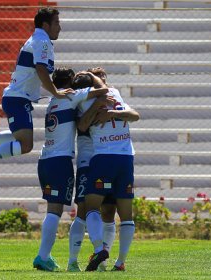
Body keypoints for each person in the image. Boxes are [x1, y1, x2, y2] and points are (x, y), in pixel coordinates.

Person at [0, 7, 73, 183]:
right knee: (26, 145)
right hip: (17, 99)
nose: (60, 27)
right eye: (57, 22)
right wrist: (55, 93)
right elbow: (41, 70)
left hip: (18, 98)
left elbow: (37, 73)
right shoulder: (41, 41)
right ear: (46, 24)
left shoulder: (38, 39)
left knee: (21, 138)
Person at [33, 67, 108, 272]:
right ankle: (42, 256)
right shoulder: (71, 97)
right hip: (60, 161)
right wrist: (92, 77)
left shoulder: (52, 102)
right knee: (55, 211)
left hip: (45, 159)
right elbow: (103, 91)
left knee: (53, 208)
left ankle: (45, 256)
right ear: (69, 83)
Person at [73, 70, 140, 271]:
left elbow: (83, 125)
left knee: (92, 206)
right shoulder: (115, 94)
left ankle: (99, 248)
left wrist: (106, 112)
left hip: (103, 157)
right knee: (126, 214)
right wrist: (114, 112)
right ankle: (120, 263)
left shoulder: (84, 102)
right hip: (126, 158)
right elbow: (135, 115)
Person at [67, 78, 117, 273]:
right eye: (98, 81)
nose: (102, 85)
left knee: (108, 212)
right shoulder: (81, 103)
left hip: (108, 160)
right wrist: (98, 105)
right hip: (88, 163)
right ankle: (73, 262)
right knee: (83, 211)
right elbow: (82, 126)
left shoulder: (112, 99)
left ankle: (102, 263)